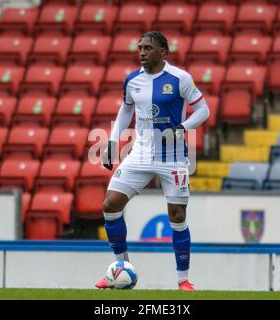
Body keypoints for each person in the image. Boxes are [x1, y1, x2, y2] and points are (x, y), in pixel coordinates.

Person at [95, 31, 210, 291]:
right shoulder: (132, 81)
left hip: (173, 157)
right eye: (140, 48)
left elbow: (204, 110)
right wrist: (113, 143)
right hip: (140, 154)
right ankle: (120, 268)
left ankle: (183, 280)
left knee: (177, 215)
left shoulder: (180, 78)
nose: (142, 52)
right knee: (110, 205)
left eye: (148, 48)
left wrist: (182, 127)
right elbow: (125, 110)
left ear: (162, 52)